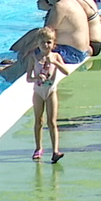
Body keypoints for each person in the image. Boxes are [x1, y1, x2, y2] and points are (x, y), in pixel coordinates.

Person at [24, 26, 71, 162]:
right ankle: (38, 147)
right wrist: (36, 78)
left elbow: (66, 72)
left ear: (53, 43)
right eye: (43, 42)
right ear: (38, 43)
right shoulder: (34, 57)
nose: (46, 45)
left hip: (51, 92)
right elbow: (28, 78)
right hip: (38, 92)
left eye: (49, 42)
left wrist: (55, 62)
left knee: (52, 121)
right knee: (38, 120)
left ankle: (55, 150)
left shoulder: (56, 56)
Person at [46, 0, 92, 64]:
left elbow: (45, 34)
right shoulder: (72, 1)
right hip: (83, 51)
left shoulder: (60, 6)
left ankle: (11, 74)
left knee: (33, 54)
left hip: (73, 54)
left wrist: (27, 49)